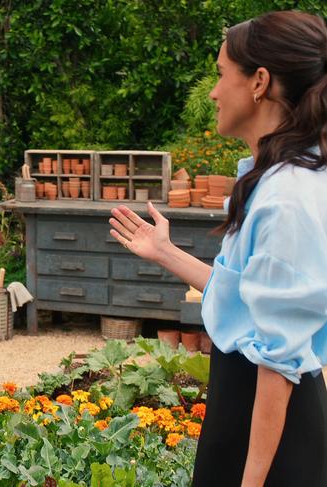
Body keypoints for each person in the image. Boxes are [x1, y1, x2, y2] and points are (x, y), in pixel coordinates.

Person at [109, 10, 327, 487]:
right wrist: (165, 252)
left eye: (220, 73)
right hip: (247, 411)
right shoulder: (273, 178)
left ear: (259, 82)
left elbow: (277, 365)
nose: (212, 91)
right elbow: (249, 300)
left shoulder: (287, 197)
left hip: (271, 434)